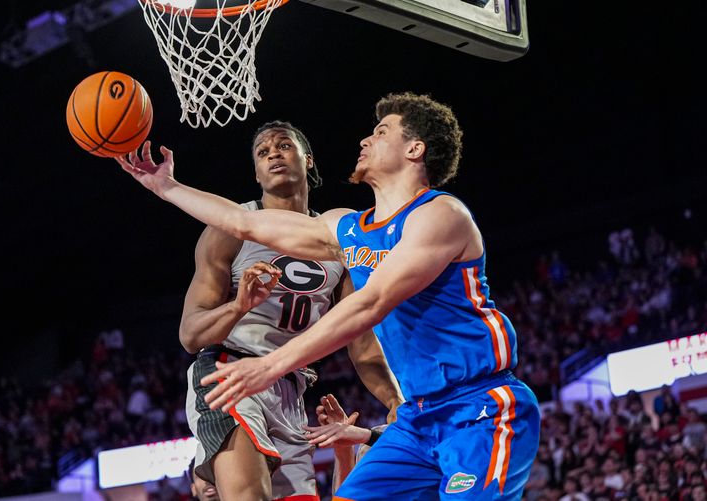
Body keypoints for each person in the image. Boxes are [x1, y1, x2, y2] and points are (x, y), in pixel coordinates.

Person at [117, 92, 541, 499]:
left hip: (479, 406)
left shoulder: (441, 214)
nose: (365, 139)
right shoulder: (348, 228)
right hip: (418, 416)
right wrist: (165, 187)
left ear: (414, 150)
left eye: (380, 131)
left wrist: (270, 365)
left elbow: (369, 305)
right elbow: (242, 223)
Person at [178, 122, 402, 501]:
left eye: (284, 146)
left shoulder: (336, 238)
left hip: (288, 388)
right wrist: (238, 306)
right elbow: (190, 334)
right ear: (256, 173)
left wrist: (396, 401)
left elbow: (362, 342)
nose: (274, 155)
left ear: (307, 159)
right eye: (263, 153)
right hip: (227, 373)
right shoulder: (229, 231)